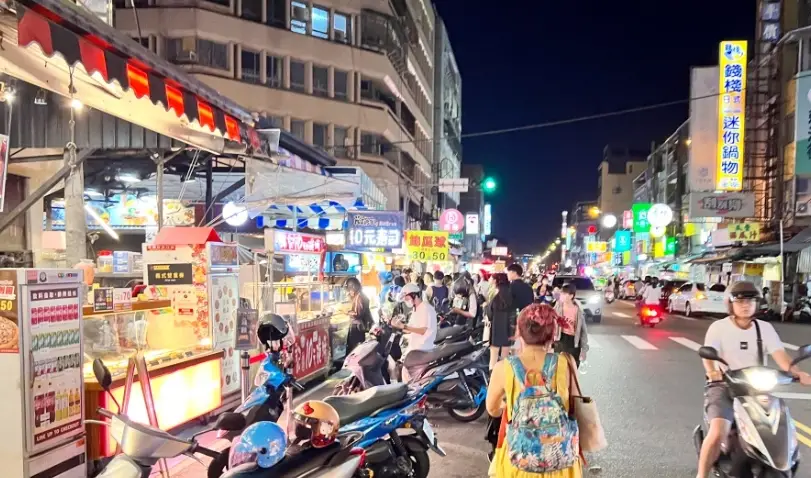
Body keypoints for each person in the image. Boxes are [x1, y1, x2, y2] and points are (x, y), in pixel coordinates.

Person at [696, 281, 811, 478]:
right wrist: (713, 372)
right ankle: (701, 475)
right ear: (730, 304)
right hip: (724, 385)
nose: (746, 305)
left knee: (780, 426)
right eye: (740, 301)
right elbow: (709, 355)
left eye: (751, 301)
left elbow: (780, 355)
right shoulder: (719, 327)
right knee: (718, 431)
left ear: (757, 304)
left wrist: (797, 372)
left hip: (754, 386)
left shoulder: (764, 328)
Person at [486, 303, 584, 477]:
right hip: (560, 459)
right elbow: (576, 406)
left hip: (520, 459)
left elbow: (492, 410)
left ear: (519, 333)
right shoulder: (567, 363)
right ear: (552, 335)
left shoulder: (504, 368)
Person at [391, 283, 437, 381]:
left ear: (414, 295)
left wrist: (404, 326)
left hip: (422, 348)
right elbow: (411, 328)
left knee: (405, 372)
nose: (406, 301)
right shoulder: (416, 309)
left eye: (407, 298)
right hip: (415, 347)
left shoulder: (425, 308)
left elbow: (423, 330)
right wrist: (398, 326)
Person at [553, 283, 589, 367]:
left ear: (571, 296)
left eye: (564, 294)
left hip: (573, 342)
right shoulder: (558, 307)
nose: (561, 296)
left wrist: (584, 350)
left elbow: (583, 332)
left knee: (572, 367)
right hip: (560, 339)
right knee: (558, 367)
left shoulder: (578, 311)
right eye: (561, 293)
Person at [486, 273, 514, 370]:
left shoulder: (494, 292)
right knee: (505, 356)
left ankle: (493, 378)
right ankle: (504, 378)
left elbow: (489, 312)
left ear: (496, 280)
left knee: (493, 357)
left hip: (496, 328)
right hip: (509, 328)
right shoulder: (511, 292)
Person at [345, 277, 373, 355]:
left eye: (349, 289)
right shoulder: (361, 295)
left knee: (355, 349)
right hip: (360, 326)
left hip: (357, 327)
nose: (349, 292)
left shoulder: (359, 297)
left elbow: (357, 314)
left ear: (353, 287)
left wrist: (347, 312)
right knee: (358, 348)